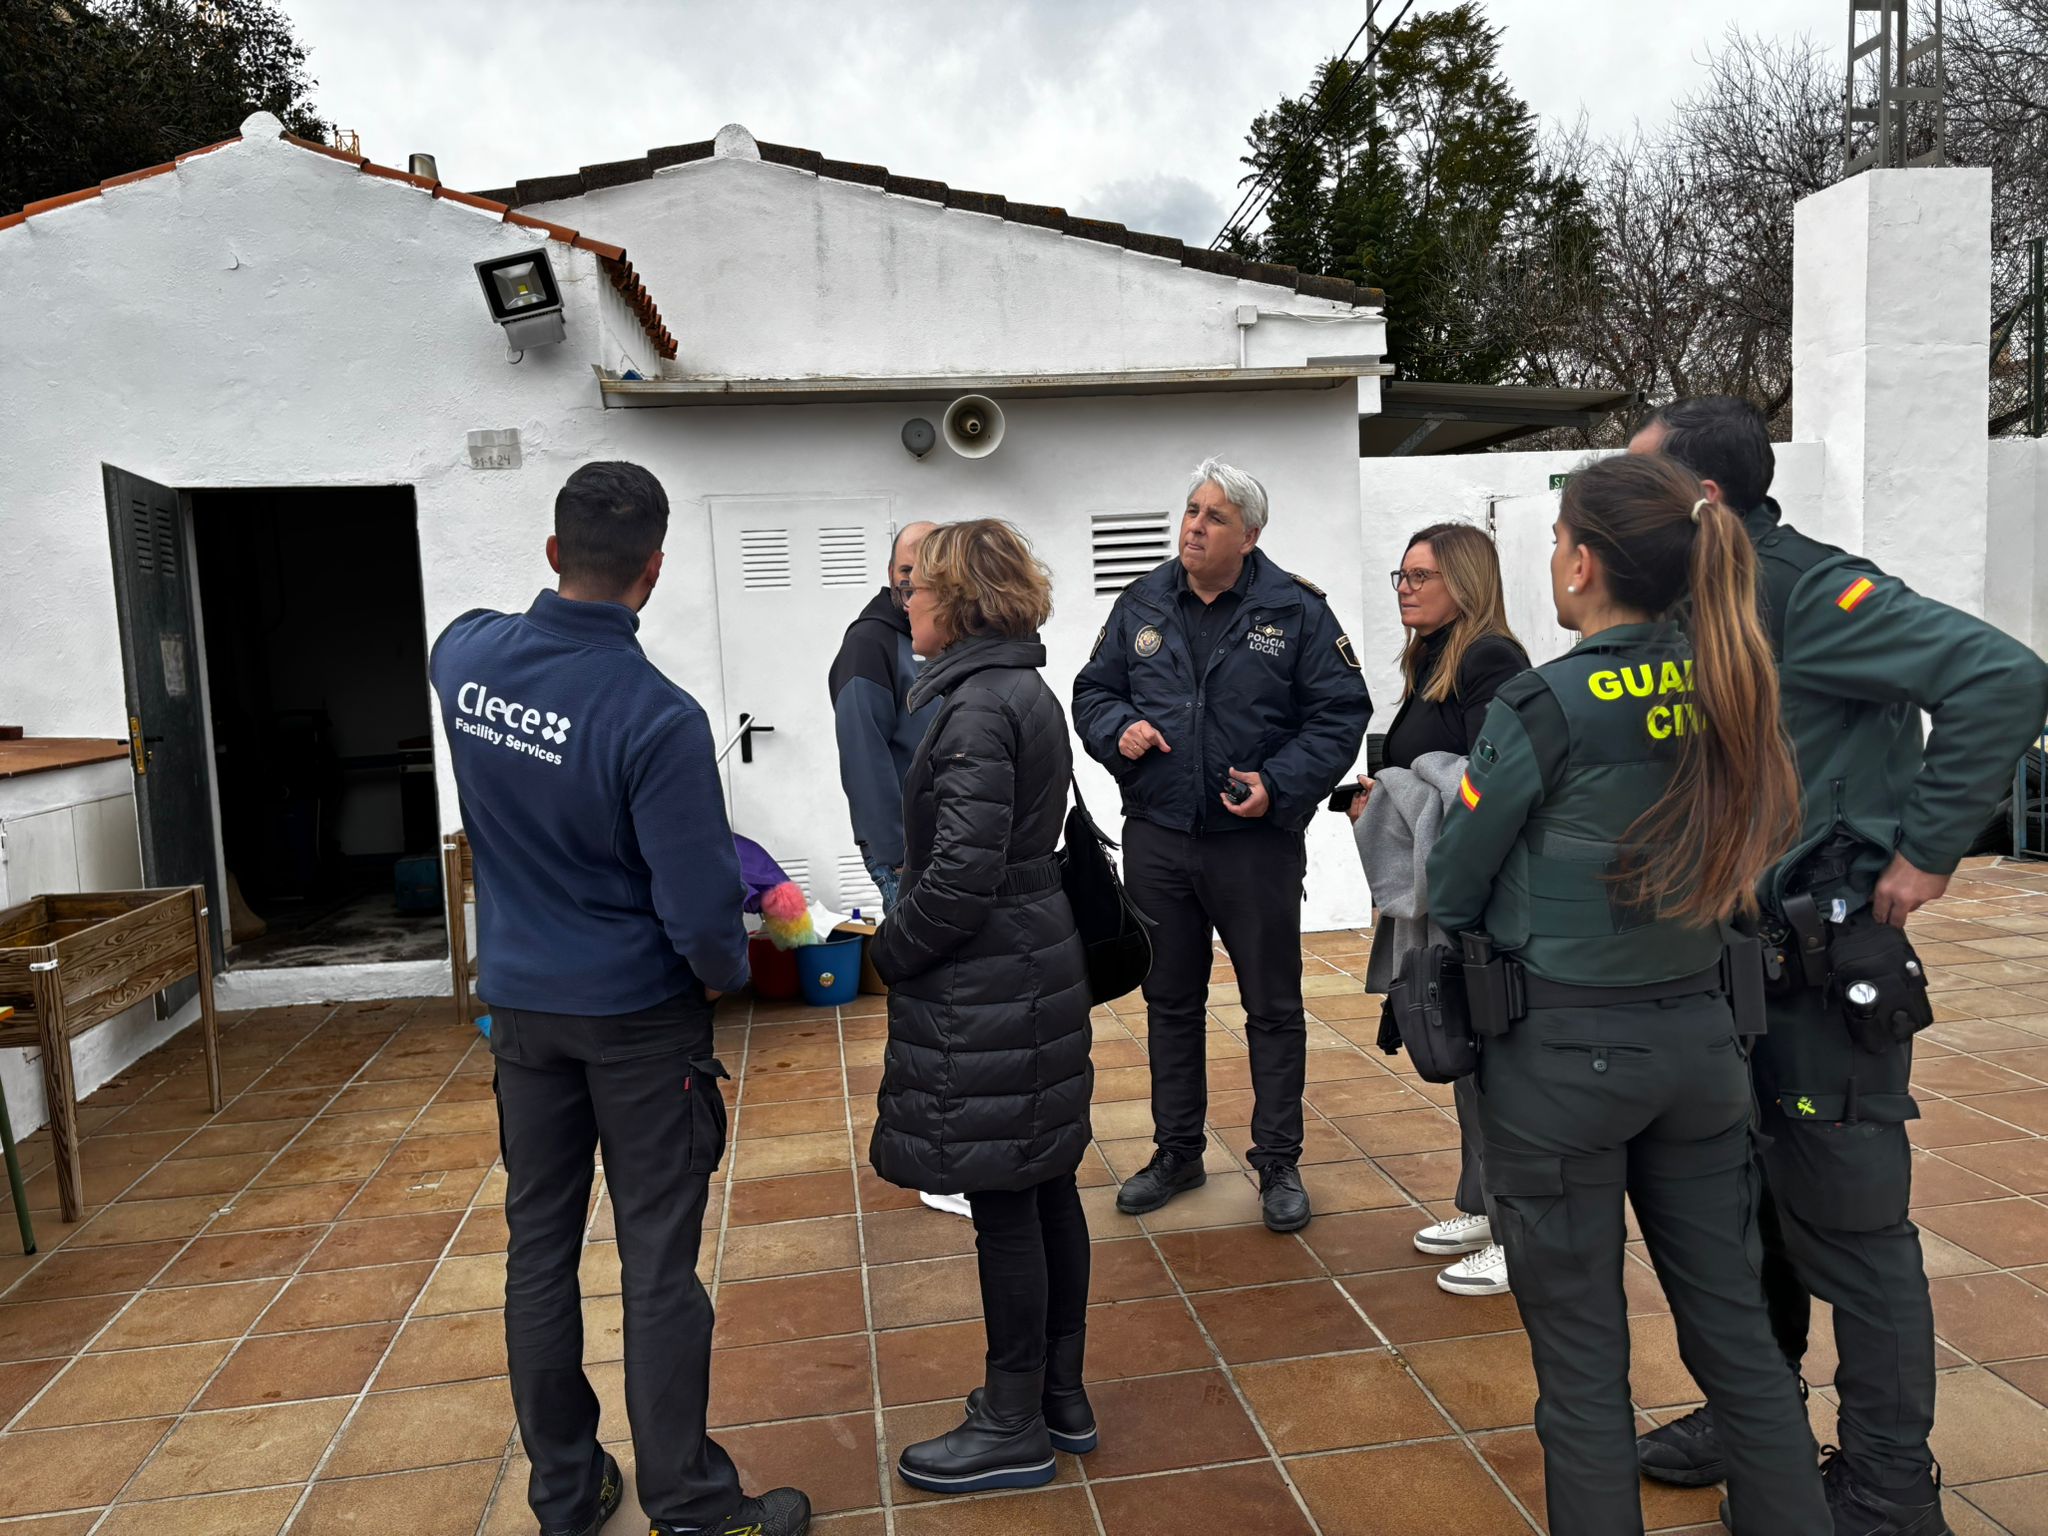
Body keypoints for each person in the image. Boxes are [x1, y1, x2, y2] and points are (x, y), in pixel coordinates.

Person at [1630, 397, 2048, 1534]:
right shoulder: (1689, 607)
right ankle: (1753, 1418)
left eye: (1641, 488)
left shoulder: (1809, 592)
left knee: (1854, 1237)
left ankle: (1882, 1491)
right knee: (1741, 1213)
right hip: (1719, 974)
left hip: (1816, 974)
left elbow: (2000, 677)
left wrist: (1924, 852)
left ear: (1701, 501)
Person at [1425, 451, 1828, 1535]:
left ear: (1584, 563)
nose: (1551, 558)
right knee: (1736, 1339)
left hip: (1559, 1067)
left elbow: (1451, 881)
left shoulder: (1541, 703)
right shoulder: (1732, 678)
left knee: (1581, 1360)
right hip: (1701, 1046)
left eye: (1557, 540)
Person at [430, 462, 811, 1536]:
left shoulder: (462, 660)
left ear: (552, 553)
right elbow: (699, 912)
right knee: (656, 1263)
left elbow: (467, 631)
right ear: (654, 569)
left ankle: (566, 1489)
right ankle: (688, 1501)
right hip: (639, 1025)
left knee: (538, 1249)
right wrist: (730, 977)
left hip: (521, 1017)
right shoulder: (657, 718)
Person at [1073, 457, 1372, 1233]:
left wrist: (1280, 782)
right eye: (1191, 511)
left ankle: (1278, 1161)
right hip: (1159, 839)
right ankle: (1177, 1151)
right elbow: (1092, 690)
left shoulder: (1297, 611)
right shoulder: (1142, 601)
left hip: (1254, 844)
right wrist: (1117, 730)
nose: (1195, 526)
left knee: (1272, 1006)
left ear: (1250, 534)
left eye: (1213, 517)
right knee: (1170, 1000)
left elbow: (1342, 713)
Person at [867, 519, 1097, 1495]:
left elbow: (958, 879)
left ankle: (1011, 1422)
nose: (902, 600)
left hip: (989, 985)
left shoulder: (972, 708)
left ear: (954, 602)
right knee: (1041, 1183)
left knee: (1007, 1199)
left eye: (915, 585)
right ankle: (1057, 1396)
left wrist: (890, 948)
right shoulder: (1019, 688)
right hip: (1028, 965)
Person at [1348, 521, 1529, 1296]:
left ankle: (1520, 1234)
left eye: (1422, 575)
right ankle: (1483, 1207)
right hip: (1450, 896)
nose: (1405, 587)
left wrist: (1395, 784)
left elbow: (1481, 782)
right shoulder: (1431, 659)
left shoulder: (1491, 658)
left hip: (1479, 896)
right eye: (1401, 574)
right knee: (1463, 1052)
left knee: (1498, 1063)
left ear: (1466, 581)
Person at [829, 520, 941, 916]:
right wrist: (896, 853)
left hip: (943, 845)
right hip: (906, 854)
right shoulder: (869, 643)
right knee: (924, 970)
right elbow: (863, 754)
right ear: (889, 572)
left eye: (925, 570)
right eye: (904, 569)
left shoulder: (935, 637)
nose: (912, 580)